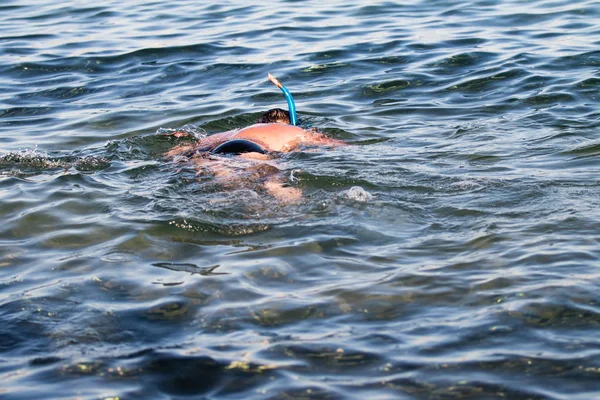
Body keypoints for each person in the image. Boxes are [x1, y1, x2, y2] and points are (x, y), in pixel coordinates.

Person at [165, 75, 344, 203]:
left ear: (260, 122)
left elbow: (191, 147)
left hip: (217, 151)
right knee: (272, 182)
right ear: (286, 122)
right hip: (252, 149)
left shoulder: (237, 130)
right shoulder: (292, 129)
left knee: (225, 178)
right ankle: (294, 211)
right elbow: (331, 144)